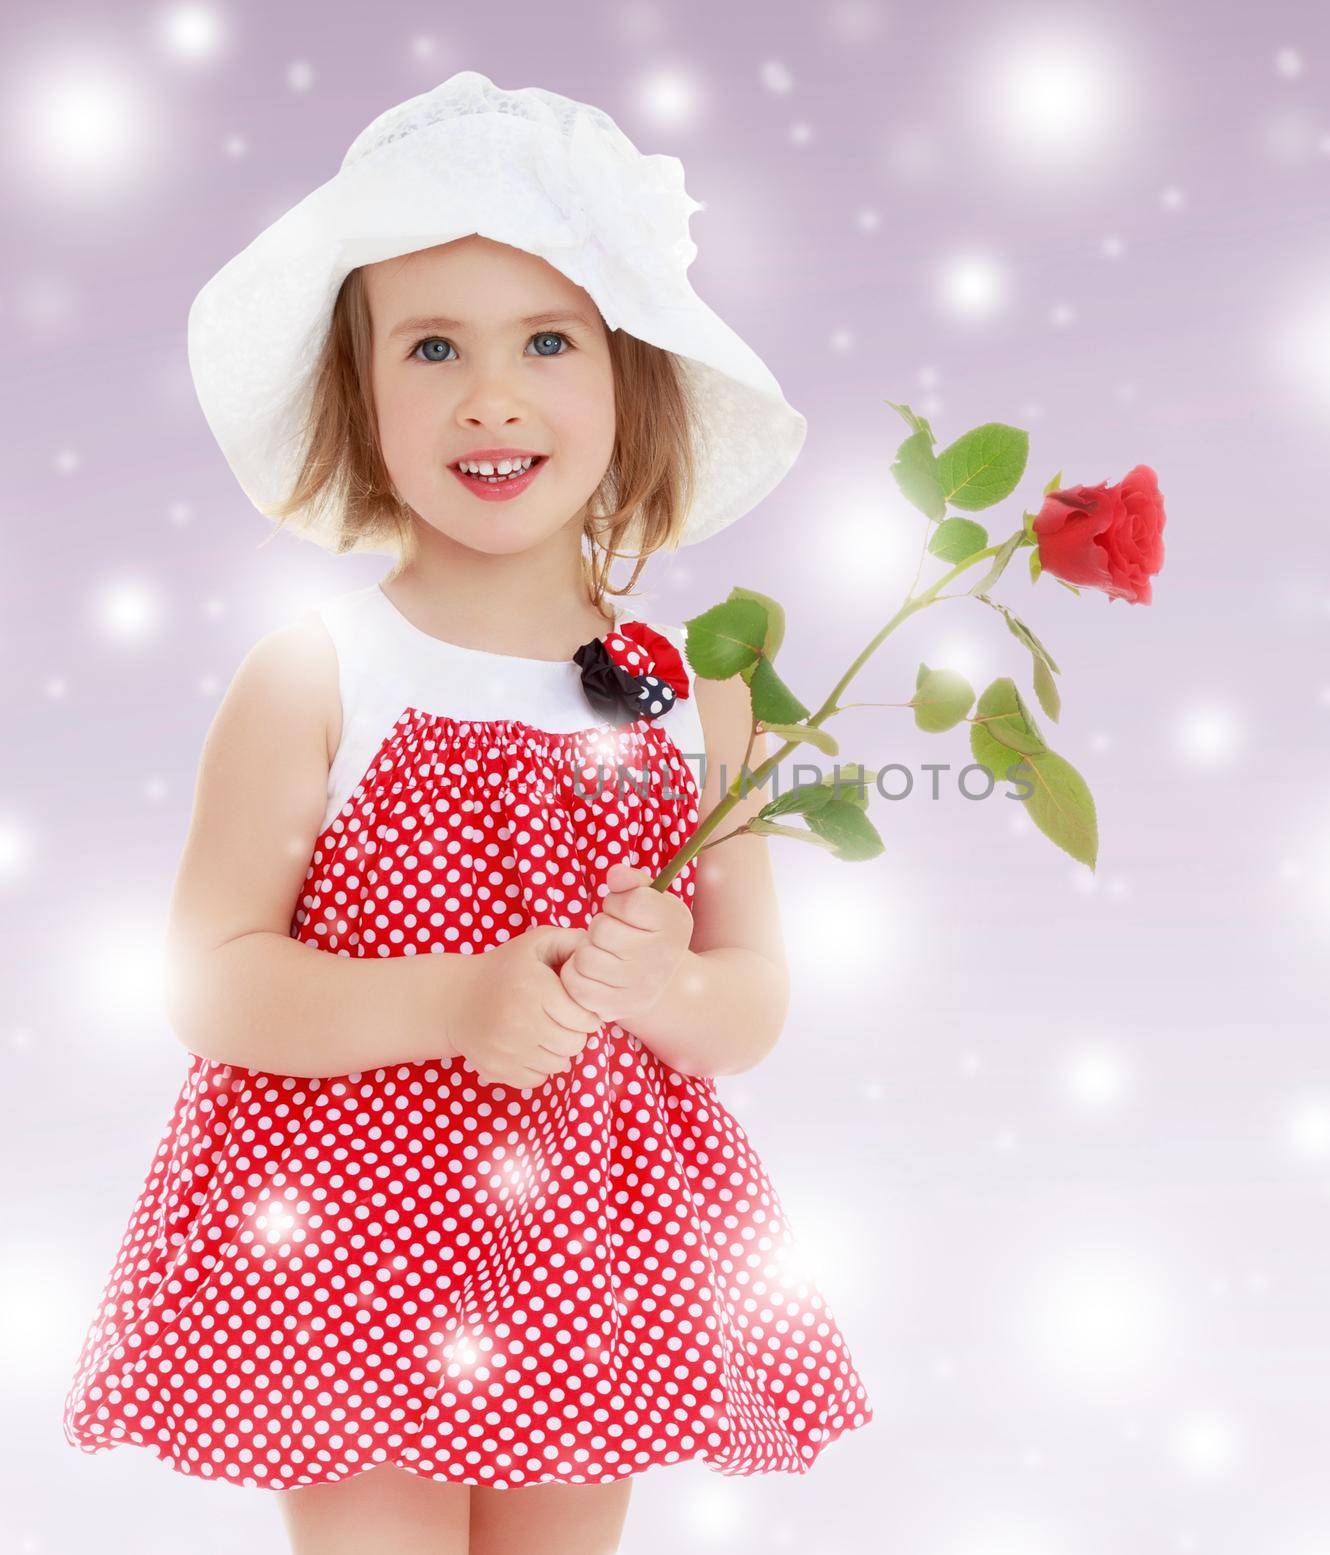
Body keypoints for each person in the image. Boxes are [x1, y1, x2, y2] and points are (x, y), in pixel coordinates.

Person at [61, 72, 873, 1554]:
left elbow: (751, 1002)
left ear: (631, 382)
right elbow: (212, 978)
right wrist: (461, 1001)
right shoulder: (322, 674)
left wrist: (669, 983)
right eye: (431, 347)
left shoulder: (704, 697)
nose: (490, 395)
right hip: (351, 1256)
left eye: (547, 342)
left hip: (584, 1251)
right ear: (360, 400)